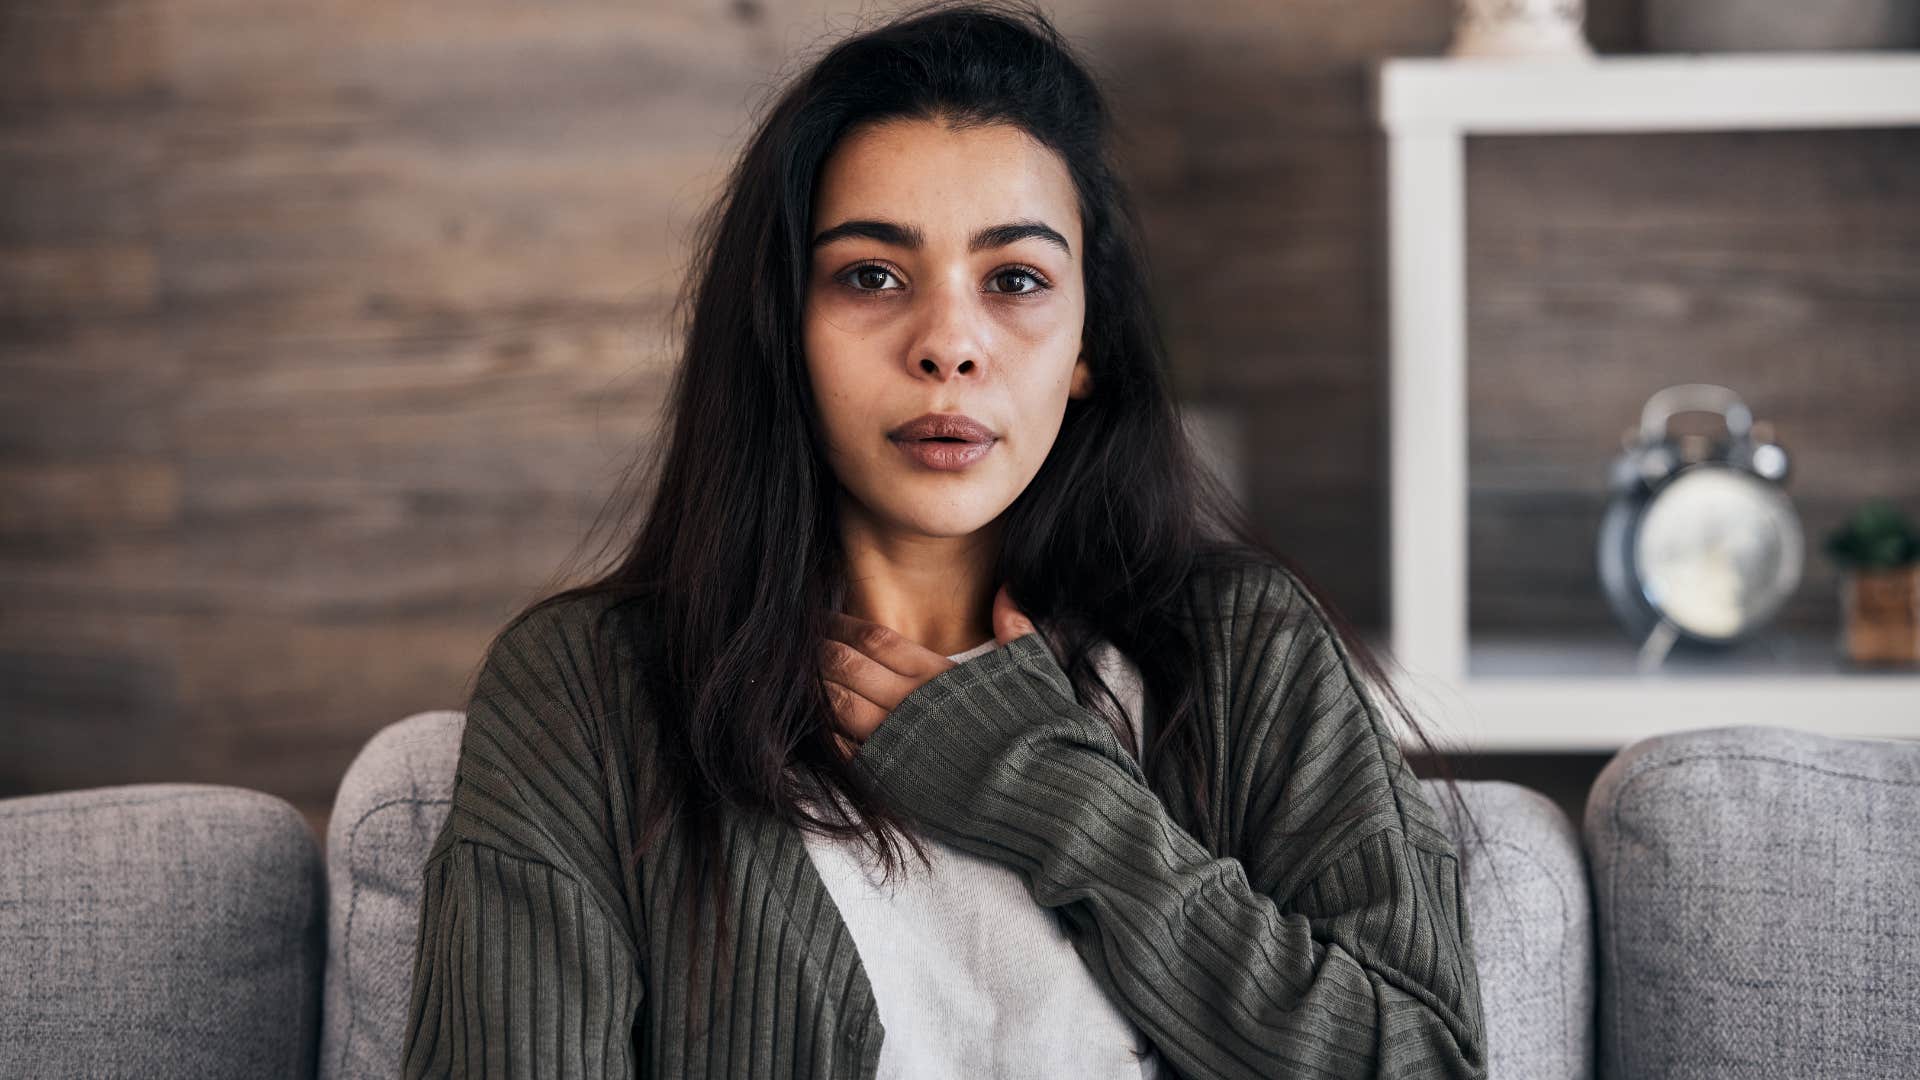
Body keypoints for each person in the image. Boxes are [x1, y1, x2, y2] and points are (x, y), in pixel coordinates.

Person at [401, 2, 1491, 1077]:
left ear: (1085, 347)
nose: (949, 346)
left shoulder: (1242, 648)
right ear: (783, 328)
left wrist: (1054, 798)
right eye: (871, 276)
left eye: (1014, 280)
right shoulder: (586, 695)